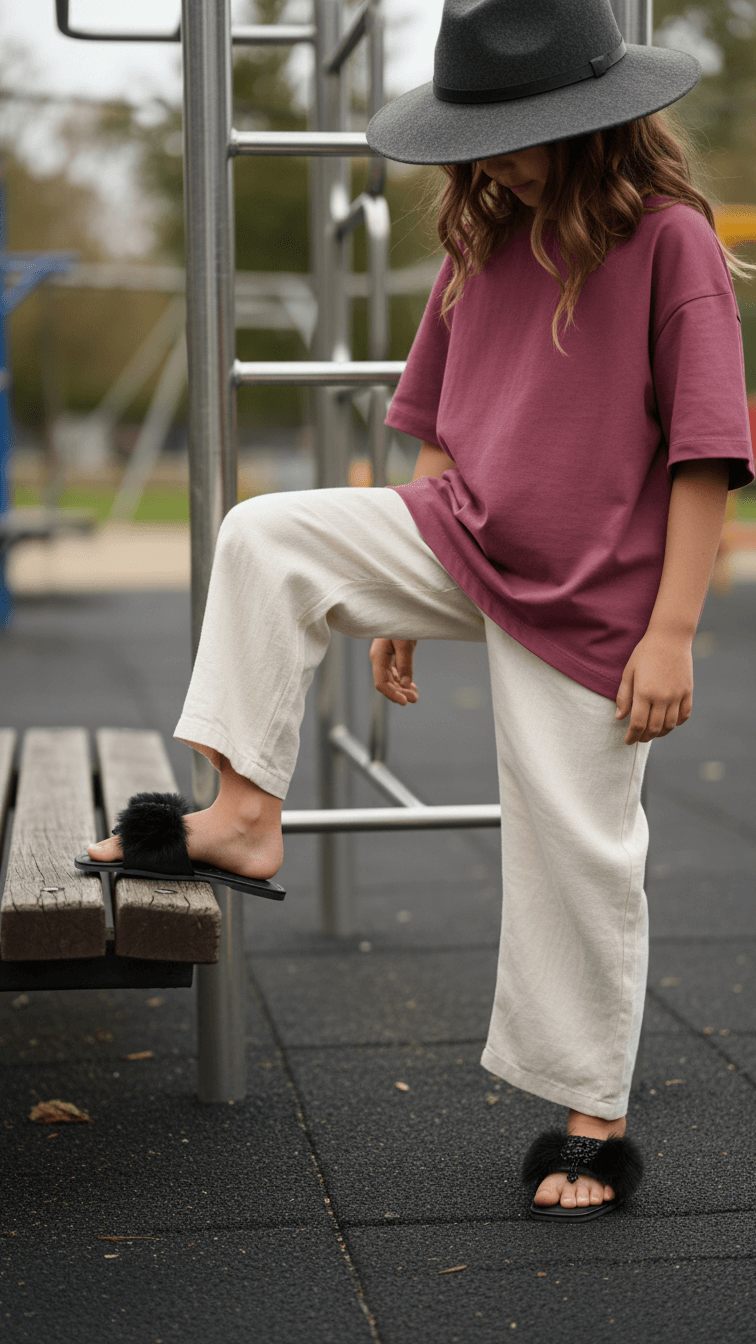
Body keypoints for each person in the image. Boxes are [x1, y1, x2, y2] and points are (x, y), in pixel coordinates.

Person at [82, 0, 756, 1219]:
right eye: (477, 137)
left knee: (578, 847)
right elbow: (439, 432)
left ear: (592, 122)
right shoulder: (482, 243)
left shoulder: (671, 244)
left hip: (596, 593)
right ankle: (243, 814)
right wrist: (391, 586)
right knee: (266, 535)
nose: (493, 161)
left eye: (515, 135)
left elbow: (704, 453)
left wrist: (670, 634)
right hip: (462, 534)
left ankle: (591, 1117)